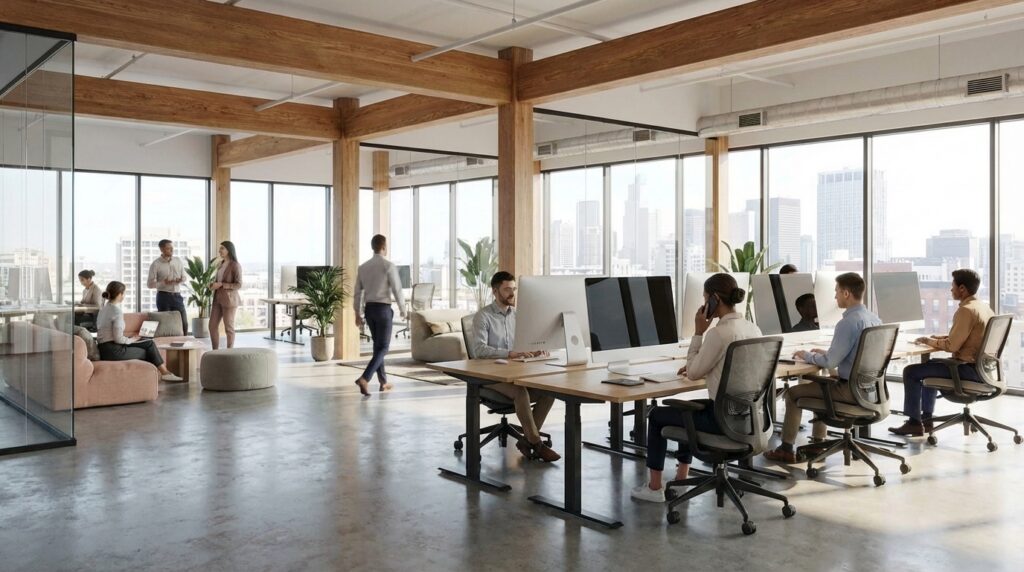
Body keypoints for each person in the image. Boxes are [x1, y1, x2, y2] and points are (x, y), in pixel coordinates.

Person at [632, 273, 760, 502]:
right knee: (687, 409)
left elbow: (693, 374)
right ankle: (681, 478)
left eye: (704, 299)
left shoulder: (718, 334)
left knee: (658, 414)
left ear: (714, 300)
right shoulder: (753, 329)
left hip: (722, 421)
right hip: (748, 418)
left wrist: (698, 332)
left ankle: (654, 488)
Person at [764, 273, 881, 463]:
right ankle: (818, 442)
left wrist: (807, 355)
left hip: (849, 391)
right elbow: (856, 354)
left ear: (846, 293)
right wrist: (826, 353)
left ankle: (786, 449)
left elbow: (829, 363)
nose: (835, 297)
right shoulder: (875, 319)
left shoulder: (847, 323)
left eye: (836, 292)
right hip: (869, 390)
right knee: (819, 388)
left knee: (793, 394)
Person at [889, 269, 993, 436]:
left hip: (967, 370)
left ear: (962, 289)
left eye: (952, 286)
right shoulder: (983, 307)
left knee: (911, 371)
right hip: (982, 369)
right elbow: (971, 336)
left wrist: (929, 341)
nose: (950, 290)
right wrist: (941, 337)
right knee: (930, 367)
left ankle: (915, 423)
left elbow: (952, 346)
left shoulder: (966, 310)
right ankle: (927, 420)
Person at [472, 271, 560, 463]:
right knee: (520, 392)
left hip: (513, 371)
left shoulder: (518, 315)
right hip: (489, 376)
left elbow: (524, 343)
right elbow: (479, 350)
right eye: (507, 290)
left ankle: (527, 441)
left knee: (550, 391)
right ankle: (536, 444)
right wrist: (509, 353)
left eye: (513, 289)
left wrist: (535, 349)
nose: (512, 293)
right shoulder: (483, 316)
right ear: (495, 291)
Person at [353, 235, 407, 396]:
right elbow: (397, 289)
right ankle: (365, 378)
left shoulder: (363, 267)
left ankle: (383, 382)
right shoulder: (388, 266)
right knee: (383, 347)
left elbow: (357, 293)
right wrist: (403, 310)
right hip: (383, 310)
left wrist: (357, 312)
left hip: (369, 310)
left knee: (378, 347)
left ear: (373, 247)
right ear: (384, 247)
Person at [96, 281, 182, 382]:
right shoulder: (116, 311)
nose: (124, 296)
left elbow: (108, 334)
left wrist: (132, 339)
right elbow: (118, 339)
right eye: (124, 293)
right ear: (120, 294)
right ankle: (164, 373)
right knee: (148, 349)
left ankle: (163, 373)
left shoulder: (103, 309)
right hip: (114, 351)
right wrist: (131, 340)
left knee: (148, 342)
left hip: (104, 349)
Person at [147, 239, 188, 335]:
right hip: (163, 297)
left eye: (172, 248)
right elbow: (149, 284)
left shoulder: (178, 261)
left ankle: (185, 346)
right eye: (168, 248)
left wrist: (181, 279)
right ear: (162, 249)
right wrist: (163, 282)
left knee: (184, 323)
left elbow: (185, 277)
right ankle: (166, 348)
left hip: (177, 296)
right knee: (166, 326)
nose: (171, 250)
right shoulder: (156, 264)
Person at [209, 241, 242, 350]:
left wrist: (222, 284)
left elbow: (238, 284)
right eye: (220, 248)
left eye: (222, 248)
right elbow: (218, 281)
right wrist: (212, 285)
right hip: (217, 299)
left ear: (229, 250)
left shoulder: (235, 265)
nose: (220, 251)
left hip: (229, 301)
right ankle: (215, 351)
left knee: (229, 328)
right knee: (212, 326)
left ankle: (229, 351)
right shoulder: (220, 264)